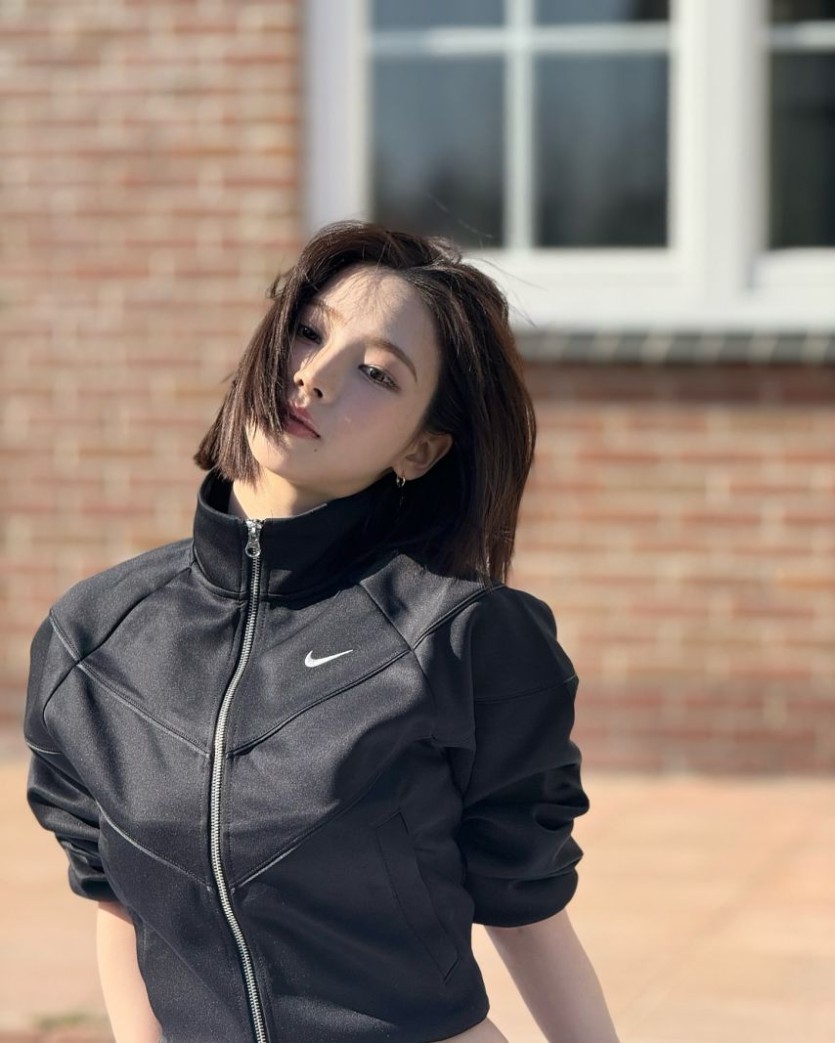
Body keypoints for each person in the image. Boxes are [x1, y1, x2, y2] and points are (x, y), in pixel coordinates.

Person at [24, 221, 620, 1043]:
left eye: (376, 372)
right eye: (309, 331)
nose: (314, 374)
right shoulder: (94, 638)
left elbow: (526, 908)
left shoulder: (460, 636)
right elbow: (119, 901)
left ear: (421, 450)